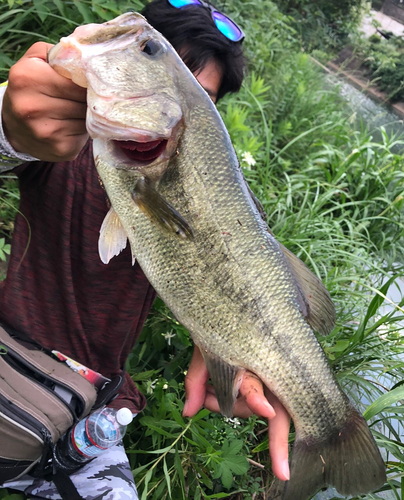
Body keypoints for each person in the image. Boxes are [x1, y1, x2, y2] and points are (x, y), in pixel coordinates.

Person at [0, 1, 290, 499]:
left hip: (98, 411)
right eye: (158, 64)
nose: (165, 101)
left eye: (199, 95)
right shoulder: (62, 145)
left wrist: (232, 345)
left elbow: (257, 287)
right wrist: (9, 122)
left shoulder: (226, 205)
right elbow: (18, 129)